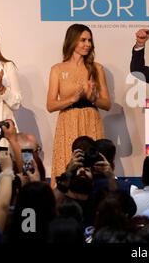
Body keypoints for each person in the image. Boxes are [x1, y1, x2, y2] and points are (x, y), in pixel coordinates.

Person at [47, 24, 111, 186]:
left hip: (91, 120)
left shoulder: (97, 68)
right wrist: (73, 99)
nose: (87, 44)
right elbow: (50, 105)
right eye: (83, 40)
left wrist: (92, 98)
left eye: (89, 40)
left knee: (94, 165)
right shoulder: (57, 69)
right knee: (68, 164)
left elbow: (107, 104)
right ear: (72, 41)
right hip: (68, 122)